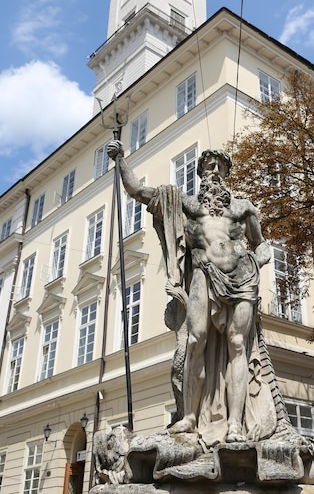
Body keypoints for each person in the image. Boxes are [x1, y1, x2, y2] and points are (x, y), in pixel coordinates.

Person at [107, 142, 273, 445]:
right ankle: (190, 417)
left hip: (241, 279)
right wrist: (121, 160)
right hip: (203, 275)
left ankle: (235, 424)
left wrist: (248, 258)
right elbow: (139, 192)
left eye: (219, 167)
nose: (214, 171)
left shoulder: (243, 208)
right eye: (208, 166)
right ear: (200, 175)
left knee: (238, 345)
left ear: (226, 173)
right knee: (196, 339)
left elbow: (261, 245)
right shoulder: (185, 204)